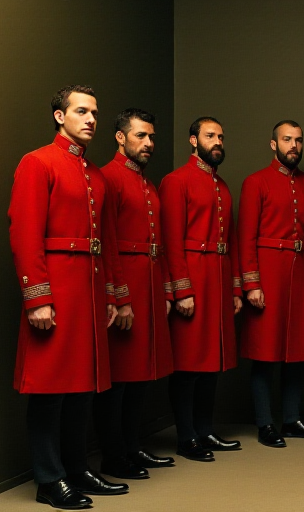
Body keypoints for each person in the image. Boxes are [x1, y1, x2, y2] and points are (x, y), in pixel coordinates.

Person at [9, 85, 130, 509]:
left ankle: (77, 469)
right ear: (60, 116)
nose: (91, 119)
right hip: (56, 291)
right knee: (50, 389)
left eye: (95, 112)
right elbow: (25, 233)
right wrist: (37, 297)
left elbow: (108, 241)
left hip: (91, 293)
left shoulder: (95, 175)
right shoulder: (37, 162)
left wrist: (114, 294)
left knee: (83, 387)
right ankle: (48, 479)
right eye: (81, 111)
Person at [95, 108, 178, 479]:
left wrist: (161, 289)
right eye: (141, 136)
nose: (149, 143)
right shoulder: (108, 178)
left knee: (142, 375)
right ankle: (114, 456)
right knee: (121, 379)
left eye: (151, 137)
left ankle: (133, 446)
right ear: (120, 137)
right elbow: (109, 241)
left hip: (149, 282)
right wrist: (120, 296)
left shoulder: (147, 183)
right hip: (125, 283)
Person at [159, 116, 243, 462]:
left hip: (219, 278)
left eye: (221, 136)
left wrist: (236, 287)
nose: (217, 141)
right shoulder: (176, 181)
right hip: (193, 277)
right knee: (188, 365)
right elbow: (170, 239)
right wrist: (182, 289)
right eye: (210, 136)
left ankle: (206, 430)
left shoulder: (222, 185)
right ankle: (187, 437)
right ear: (193, 141)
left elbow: (231, 240)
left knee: (213, 362)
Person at [239, 120, 304, 448]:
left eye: (299, 140)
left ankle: (292, 419)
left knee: (297, 352)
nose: (294, 146)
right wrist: (251, 284)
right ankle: (265, 424)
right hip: (268, 275)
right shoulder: (255, 182)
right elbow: (245, 236)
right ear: (273, 144)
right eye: (287, 140)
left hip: (300, 275)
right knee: (265, 354)